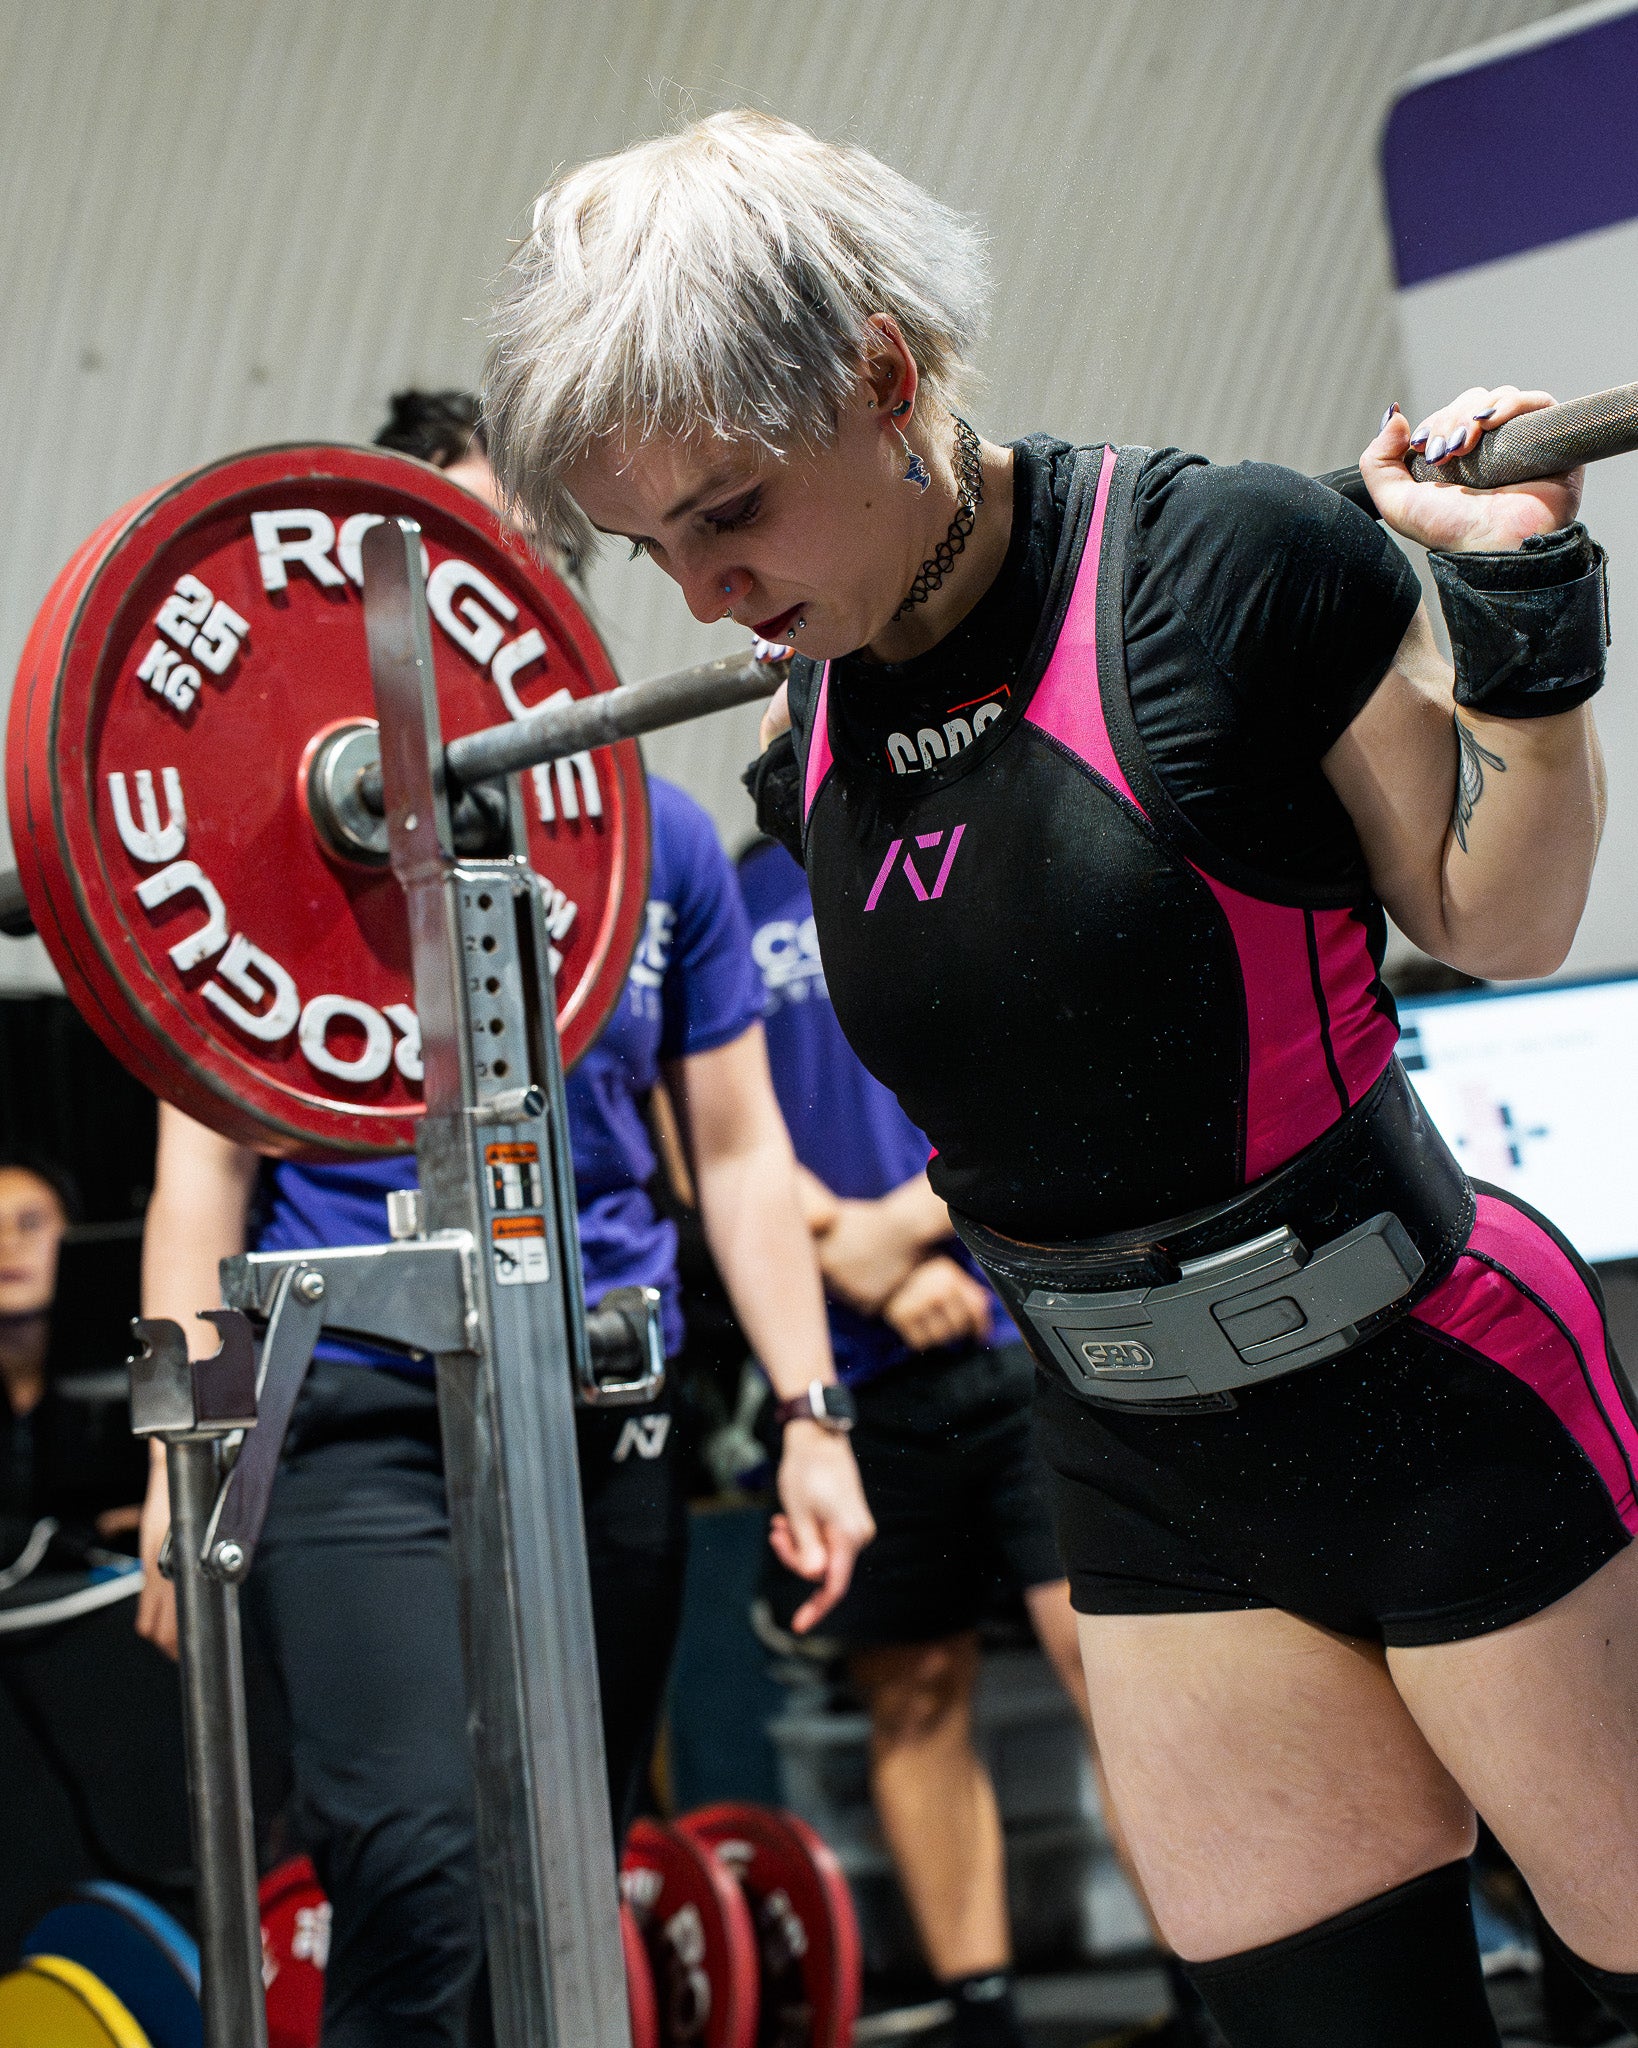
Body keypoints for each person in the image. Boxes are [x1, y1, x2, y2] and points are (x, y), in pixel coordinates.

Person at [481, 111, 1634, 2048]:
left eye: (733, 508)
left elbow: (1495, 915)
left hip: (1433, 1401)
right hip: (1139, 1465)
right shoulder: (809, 711)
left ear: (882, 373)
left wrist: (1523, 623)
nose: (701, 589)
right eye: (654, 543)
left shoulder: (1219, 563)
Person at [135, 396, 874, 2048]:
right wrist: (179, 1470)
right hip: (353, 1425)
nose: (498, 584)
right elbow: (201, 1177)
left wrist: (813, 1416)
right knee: (424, 1867)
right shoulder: (263, 861)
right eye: (456, 551)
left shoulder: (660, 844)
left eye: (532, 550)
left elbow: (739, 1157)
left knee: (560, 1876)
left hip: (597, 1411)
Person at [741, 836, 1219, 2048]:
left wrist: (903, 1229)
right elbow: (711, 1126)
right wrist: (866, 1269)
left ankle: (1211, 1995)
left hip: (1024, 1325)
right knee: (913, 1690)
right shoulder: (734, 891)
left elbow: (1062, 1049)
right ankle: (982, 2012)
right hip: (850, 1370)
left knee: (1111, 1667)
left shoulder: (946, 835)